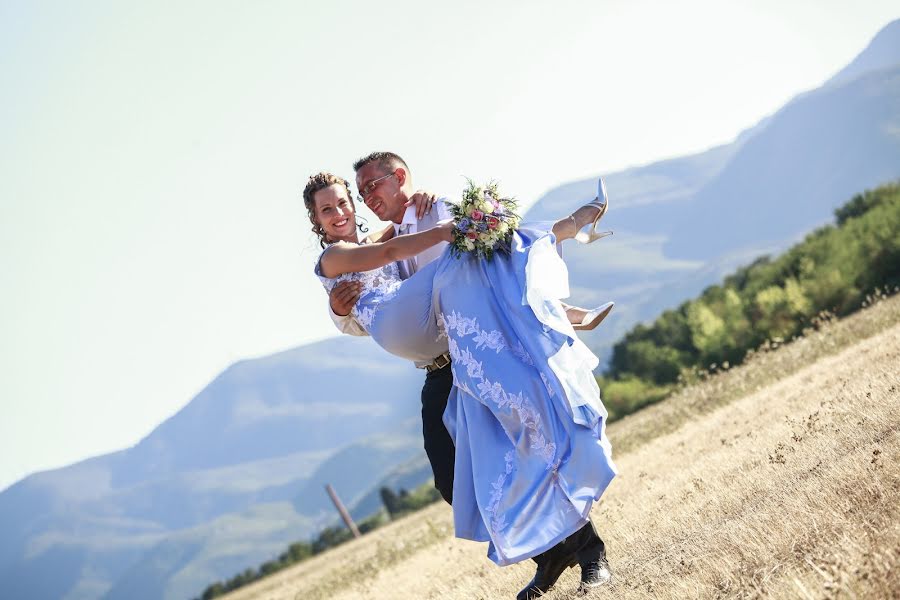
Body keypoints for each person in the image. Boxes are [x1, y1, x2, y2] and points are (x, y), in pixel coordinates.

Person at [304, 157, 616, 598]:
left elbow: (401, 235)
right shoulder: (340, 256)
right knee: (453, 478)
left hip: (467, 353)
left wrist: (434, 215)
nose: (340, 213)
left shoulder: (408, 224)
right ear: (317, 222)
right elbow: (383, 265)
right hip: (436, 369)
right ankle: (549, 554)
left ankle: (588, 552)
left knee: (528, 440)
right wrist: (337, 310)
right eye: (327, 211)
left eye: (344, 203)